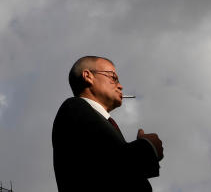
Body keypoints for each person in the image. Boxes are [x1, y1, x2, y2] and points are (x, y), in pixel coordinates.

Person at [52, 56, 163, 192]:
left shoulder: (98, 119)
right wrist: (148, 147)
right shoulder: (74, 107)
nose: (120, 86)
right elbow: (110, 165)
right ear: (88, 76)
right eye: (113, 78)